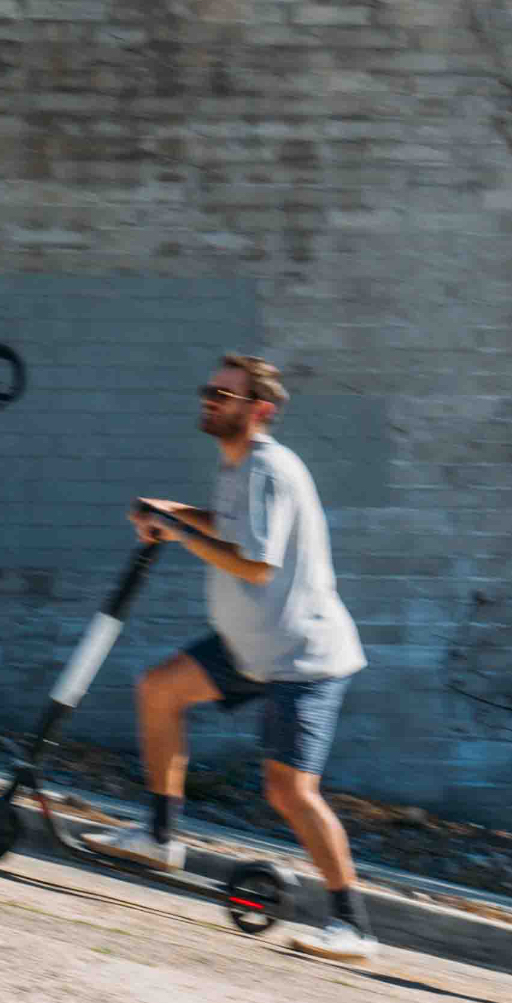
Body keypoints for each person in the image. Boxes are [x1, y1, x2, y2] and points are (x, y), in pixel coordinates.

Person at [85, 354, 379, 961]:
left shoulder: (270, 469)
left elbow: (256, 563)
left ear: (261, 410)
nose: (211, 400)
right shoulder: (236, 464)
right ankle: (161, 836)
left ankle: (354, 925)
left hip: (302, 657)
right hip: (250, 648)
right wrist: (174, 513)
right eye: (210, 390)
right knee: (158, 690)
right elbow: (230, 527)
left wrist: (182, 534)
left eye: (226, 394)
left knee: (290, 792)